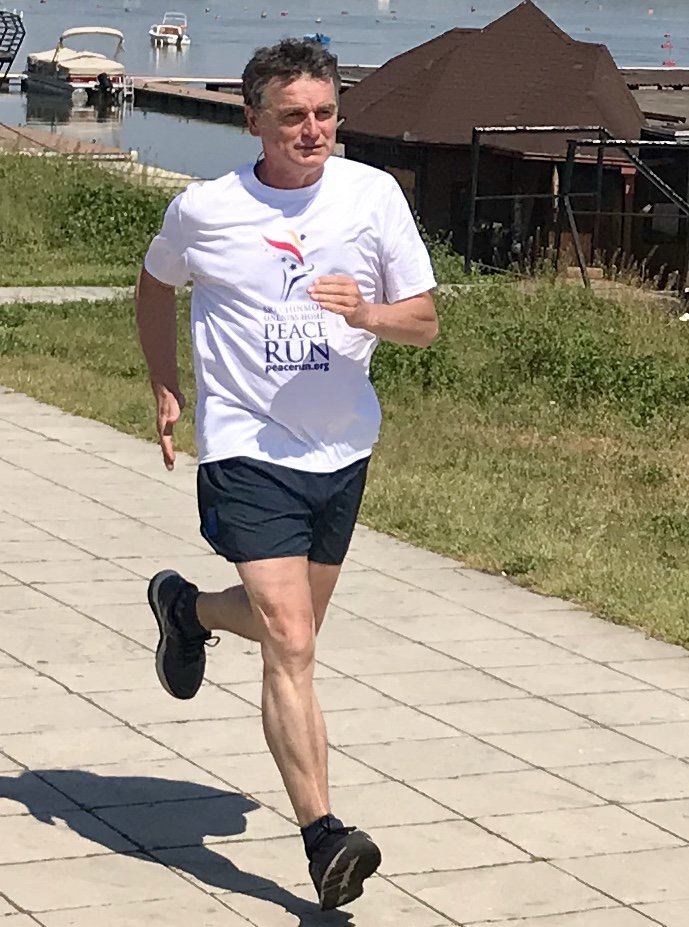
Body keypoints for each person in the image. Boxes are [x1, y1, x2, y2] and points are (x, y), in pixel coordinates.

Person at [135, 37, 438, 911]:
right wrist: (165, 384)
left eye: (325, 113)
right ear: (253, 121)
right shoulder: (205, 209)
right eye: (294, 115)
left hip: (340, 450)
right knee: (293, 640)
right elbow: (154, 285)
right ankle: (324, 839)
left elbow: (422, 323)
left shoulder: (372, 195)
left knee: (288, 632)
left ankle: (186, 609)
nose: (313, 130)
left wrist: (367, 312)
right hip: (245, 448)